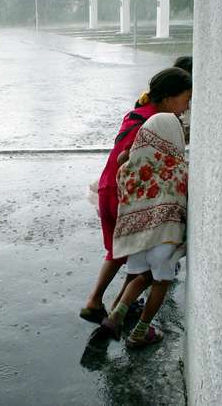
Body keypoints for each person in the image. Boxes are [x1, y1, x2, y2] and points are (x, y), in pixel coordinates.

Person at [79, 67, 192, 324]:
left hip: (107, 189)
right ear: (167, 98)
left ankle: (95, 301)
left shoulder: (136, 114)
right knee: (137, 253)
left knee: (117, 252)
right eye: (185, 99)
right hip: (126, 195)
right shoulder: (155, 124)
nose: (185, 108)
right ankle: (121, 307)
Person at [101, 109, 189, 348]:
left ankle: (116, 315)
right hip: (164, 239)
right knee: (161, 282)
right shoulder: (179, 168)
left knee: (141, 276)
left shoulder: (127, 169)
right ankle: (140, 331)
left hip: (135, 238)